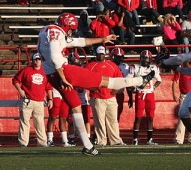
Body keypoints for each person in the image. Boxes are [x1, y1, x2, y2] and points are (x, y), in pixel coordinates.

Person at [36, 12, 155, 155]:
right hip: (63, 71)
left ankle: (88, 146)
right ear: (65, 24)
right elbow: (56, 58)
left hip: (52, 76)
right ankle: (140, 80)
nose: (71, 31)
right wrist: (63, 77)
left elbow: (78, 42)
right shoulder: (55, 31)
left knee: (76, 106)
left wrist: (102, 39)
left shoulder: (47, 31)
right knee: (105, 81)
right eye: (71, 28)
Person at [86, 46, 125, 146]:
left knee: (113, 120)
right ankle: (101, 141)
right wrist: (90, 87)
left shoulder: (112, 65)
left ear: (105, 54)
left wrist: (116, 89)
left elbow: (119, 79)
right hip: (97, 97)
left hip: (110, 97)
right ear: (96, 54)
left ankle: (115, 140)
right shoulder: (90, 66)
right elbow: (83, 79)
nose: (101, 55)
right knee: (99, 121)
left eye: (102, 54)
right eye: (99, 54)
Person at [12, 53, 53, 147]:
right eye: (35, 59)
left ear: (41, 61)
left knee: (39, 122)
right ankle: (23, 143)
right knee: (24, 122)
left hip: (39, 101)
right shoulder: (26, 70)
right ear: (32, 60)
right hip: (27, 100)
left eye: (38, 59)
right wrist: (20, 90)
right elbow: (15, 80)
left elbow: (48, 87)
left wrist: (50, 99)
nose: (37, 61)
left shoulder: (45, 72)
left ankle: (42, 142)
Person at [128, 50, 162, 145]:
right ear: (141, 59)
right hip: (140, 94)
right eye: (144, 59)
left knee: (150, 117)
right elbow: (128, 81)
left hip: (150, 94)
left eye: (147, 59)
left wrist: (154, 87)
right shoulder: (135, 67)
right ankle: (135, 139)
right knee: (138, 117)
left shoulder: (153, 68)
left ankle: (149, 139)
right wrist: (133, 91)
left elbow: (159, 79)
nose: (146, 61)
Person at [172, 61, 191, 144]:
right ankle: (179, 138)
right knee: (182, 116)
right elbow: (175, 81)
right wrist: (174, 93)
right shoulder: (180, 68)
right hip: (184, 95)